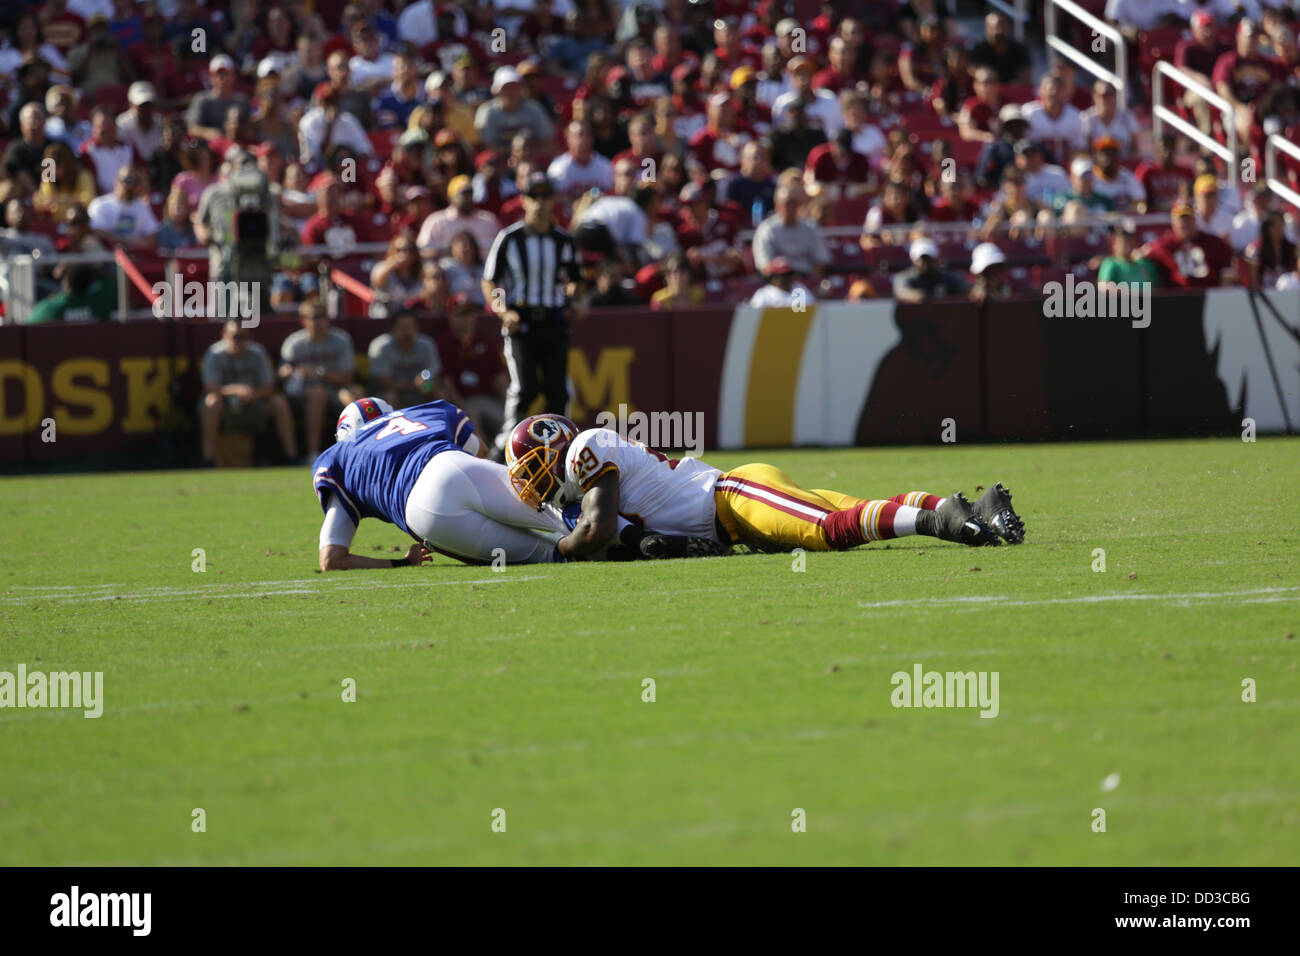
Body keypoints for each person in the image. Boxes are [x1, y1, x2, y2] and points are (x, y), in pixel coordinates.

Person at [505, 413, 1023, 561]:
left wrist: (558, 552)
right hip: (734, 512)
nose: (532, 482)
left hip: (732, 495)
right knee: (855, 510)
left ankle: (941, 521)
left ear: (556, 446)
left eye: (531, 466)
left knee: (830, 530)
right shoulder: (582, 484)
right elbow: (635, 541)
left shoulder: (585, 449)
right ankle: (971, 504)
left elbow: (595, 533)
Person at [481, 172, 584, 460]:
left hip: (553, 319)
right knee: (524, 389)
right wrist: (504, 311)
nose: (539, 203)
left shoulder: (563, 240)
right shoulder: (509, 238)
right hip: (521, 321)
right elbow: (490, 281)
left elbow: (575, 278)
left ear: (553, 201)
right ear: (524, 201)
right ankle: (503, 450)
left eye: (544, 196)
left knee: (557, 391)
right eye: (533, 196)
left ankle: (562, 453)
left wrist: (574, 296)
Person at [200, 320, 297, 466]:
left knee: (279, 402)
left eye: (243, 336)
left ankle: (292, 457)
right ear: (224, 336)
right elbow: (210, 388)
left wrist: (252, 394)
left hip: (254, 402)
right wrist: (235, 390)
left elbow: (269, 386)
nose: (239, 341)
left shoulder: (258, 353)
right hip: (225, 405)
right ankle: (207, 460)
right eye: (235, 337)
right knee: (211, 402)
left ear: (250, 337)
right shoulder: (214, 354)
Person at [279, 298, 364, 460]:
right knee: (317, 394)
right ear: (304, 320)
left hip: (335, 388)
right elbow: (282, 374)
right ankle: (313, 454)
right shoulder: (294, 343)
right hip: (302, 393)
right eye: (314, 317)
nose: (319, 321)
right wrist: (287, 372)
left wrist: (318, 373)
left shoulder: (341, 339)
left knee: (354, 396)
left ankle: (358, 451)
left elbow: (348, 377)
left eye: (322, 316)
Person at [437, 294, 508, 440]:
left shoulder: (487, 343)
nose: (465, 319)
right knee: (471, 426)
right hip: (461, 401)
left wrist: (509, 407)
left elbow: (500, 378)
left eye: (469, 314)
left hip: (487, 398)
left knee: (509, 424)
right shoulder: (444, 345)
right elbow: (447, 383)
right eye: (460, 314)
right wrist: (463, 410)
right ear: (450, 317)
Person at [367, 308, 447, 410]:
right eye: (401, 328)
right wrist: (413, 386)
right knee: (390, 396)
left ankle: (438, 425)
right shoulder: (380, 346)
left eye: (410, 327)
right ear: (392, 329)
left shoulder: (427, 344)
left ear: (417, 329)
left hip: (421, 390)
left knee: (440, 394)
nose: (406, 332)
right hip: (390, 391)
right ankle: (390, 426)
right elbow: (383, 382)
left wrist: (426, 383)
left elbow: (435, 374)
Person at [1143, 202, 1235, 289]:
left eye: (1188, 218)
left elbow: (1228, 269)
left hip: (1210, 295)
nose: (1185, 223)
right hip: (1177, 298)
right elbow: (1140, 256)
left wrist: (1225, 285)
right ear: (1173, 222)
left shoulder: (1214, 243)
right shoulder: (1163, 245)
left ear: (1194, 219)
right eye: (1181, 220)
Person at [752, 183, 829, 280]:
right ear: (777, 206)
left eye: (795, 203)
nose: (791, 208)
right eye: (788, 203)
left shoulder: (810, 227)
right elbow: (765, 266)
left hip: (806, 279)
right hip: (777, 282)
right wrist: (787, 283)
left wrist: (810, 282)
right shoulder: (766, 229)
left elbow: (820, 260)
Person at [87, 165, 158, 246]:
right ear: (116, 181)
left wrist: (133, 244)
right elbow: (97, 231)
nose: (130, 185)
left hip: (134, 255)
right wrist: (124, 242)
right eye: (127, 180)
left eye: (135, 182)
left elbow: (152, 235)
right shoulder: (100, 204)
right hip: (106, 255)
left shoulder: (142, 206)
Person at [894, 238, 970, 302]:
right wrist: (913, 295)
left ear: (936, 259)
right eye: (921, 259)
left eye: (928, 259)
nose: (924, 263)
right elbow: (900, 290)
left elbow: (966, 288)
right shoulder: (905, 277)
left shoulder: (947, 277)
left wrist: (975, 291)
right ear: (913, 260)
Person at [1098, 220, 1158, 289]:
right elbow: (1105, 288)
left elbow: (1155, 288)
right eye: (1122, 242)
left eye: (1130, 241)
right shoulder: (1110, 263)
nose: (1127, 245)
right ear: (1114, 245)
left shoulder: (1144, 264)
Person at [749, 258, 814, 308]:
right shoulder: (764, 294)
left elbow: (811, 309)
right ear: (773, 278)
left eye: (788, 275)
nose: (785, 278)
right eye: (781, 275)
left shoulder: (800, 290)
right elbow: (754, 315)